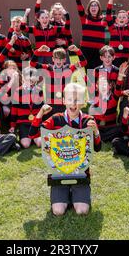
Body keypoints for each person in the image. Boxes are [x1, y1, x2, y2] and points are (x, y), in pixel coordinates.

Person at [29, 83, 101, 216]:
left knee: (82, 211)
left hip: (80, 172)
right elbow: (32, 134)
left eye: (77, 100)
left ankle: (77, 191)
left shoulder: (88, 120)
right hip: (58, 172)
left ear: (83, 102)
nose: (73, 103)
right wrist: (40, 113)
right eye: (69, 99)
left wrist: (96, 132)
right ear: (63, 101)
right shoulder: (55, 119)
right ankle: (64, 192)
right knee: (58, 211)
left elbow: (97, 148)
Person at [73, 0, 107, 69]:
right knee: (90, 74)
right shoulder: (84, 18)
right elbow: (78, 3)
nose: (93, 7)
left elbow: (119, 18)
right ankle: (90, 84)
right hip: (86, 50)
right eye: (91, 5)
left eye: (95, 5)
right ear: (89, 8)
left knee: (101, 73)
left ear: (99, 8)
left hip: (100, 51)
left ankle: (101, 84)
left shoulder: (104, 19)